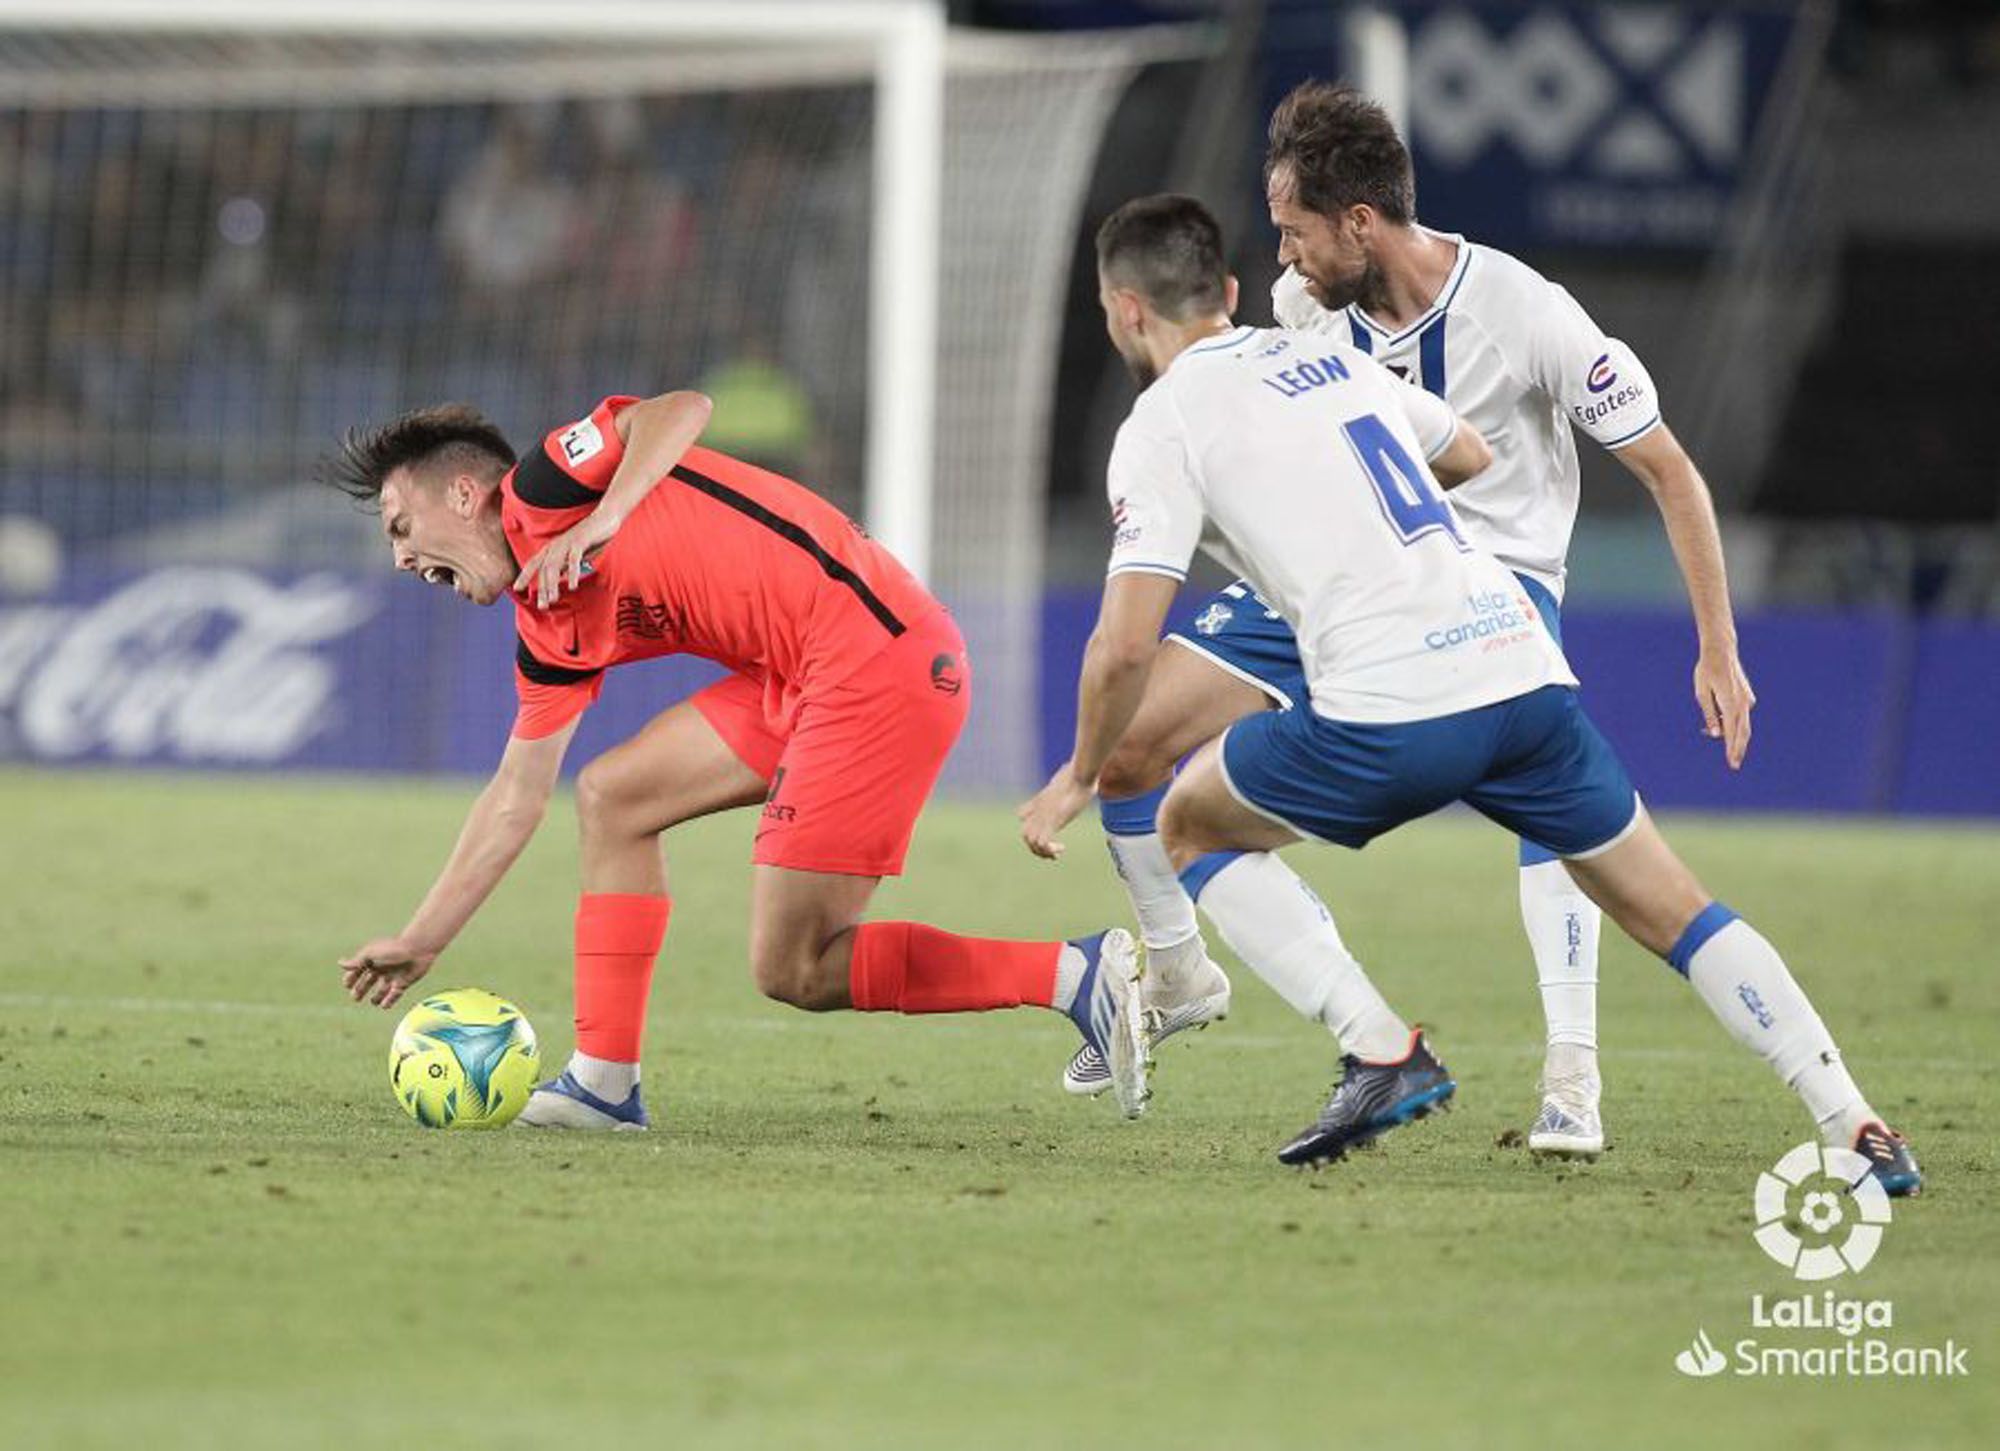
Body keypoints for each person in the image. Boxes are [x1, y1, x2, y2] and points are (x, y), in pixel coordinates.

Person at [1019, 193, 1920, 1195]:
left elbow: (1121, 646)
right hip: (1517, 661)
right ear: (1228, 293)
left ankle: (1375, 1046)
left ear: (1124, 312)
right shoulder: (1330, 359)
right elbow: (1466, 453)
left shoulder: (1160, 422)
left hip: (1393, 701)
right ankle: (1854, 1123)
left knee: (1187, 823)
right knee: (1677, 909)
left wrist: (1076, 774)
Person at [1057, 83, 1755, 1161]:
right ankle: (1176, 972)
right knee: (1132, 746)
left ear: (1357, 224)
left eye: (1294, 234)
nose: (1283, 261)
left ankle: (1570, 1073)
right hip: (1340, 568)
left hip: (1493, 572)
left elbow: (1668, 470)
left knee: (1546, 801)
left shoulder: (1524, 310)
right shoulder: (1302, 311)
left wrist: (1716, 643)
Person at [324, 391, 1149, 1126]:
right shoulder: (547, 626)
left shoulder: (546, 486)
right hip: (795, 675)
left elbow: (679, 409)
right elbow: (516, 792)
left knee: (793, 966)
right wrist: (424, 938)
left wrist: (609, 514)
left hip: (875, 658)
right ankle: (605, 1080)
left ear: (465, 495)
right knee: (613, 798)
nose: (399, 556)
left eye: (401, 526)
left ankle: (1073, 976)